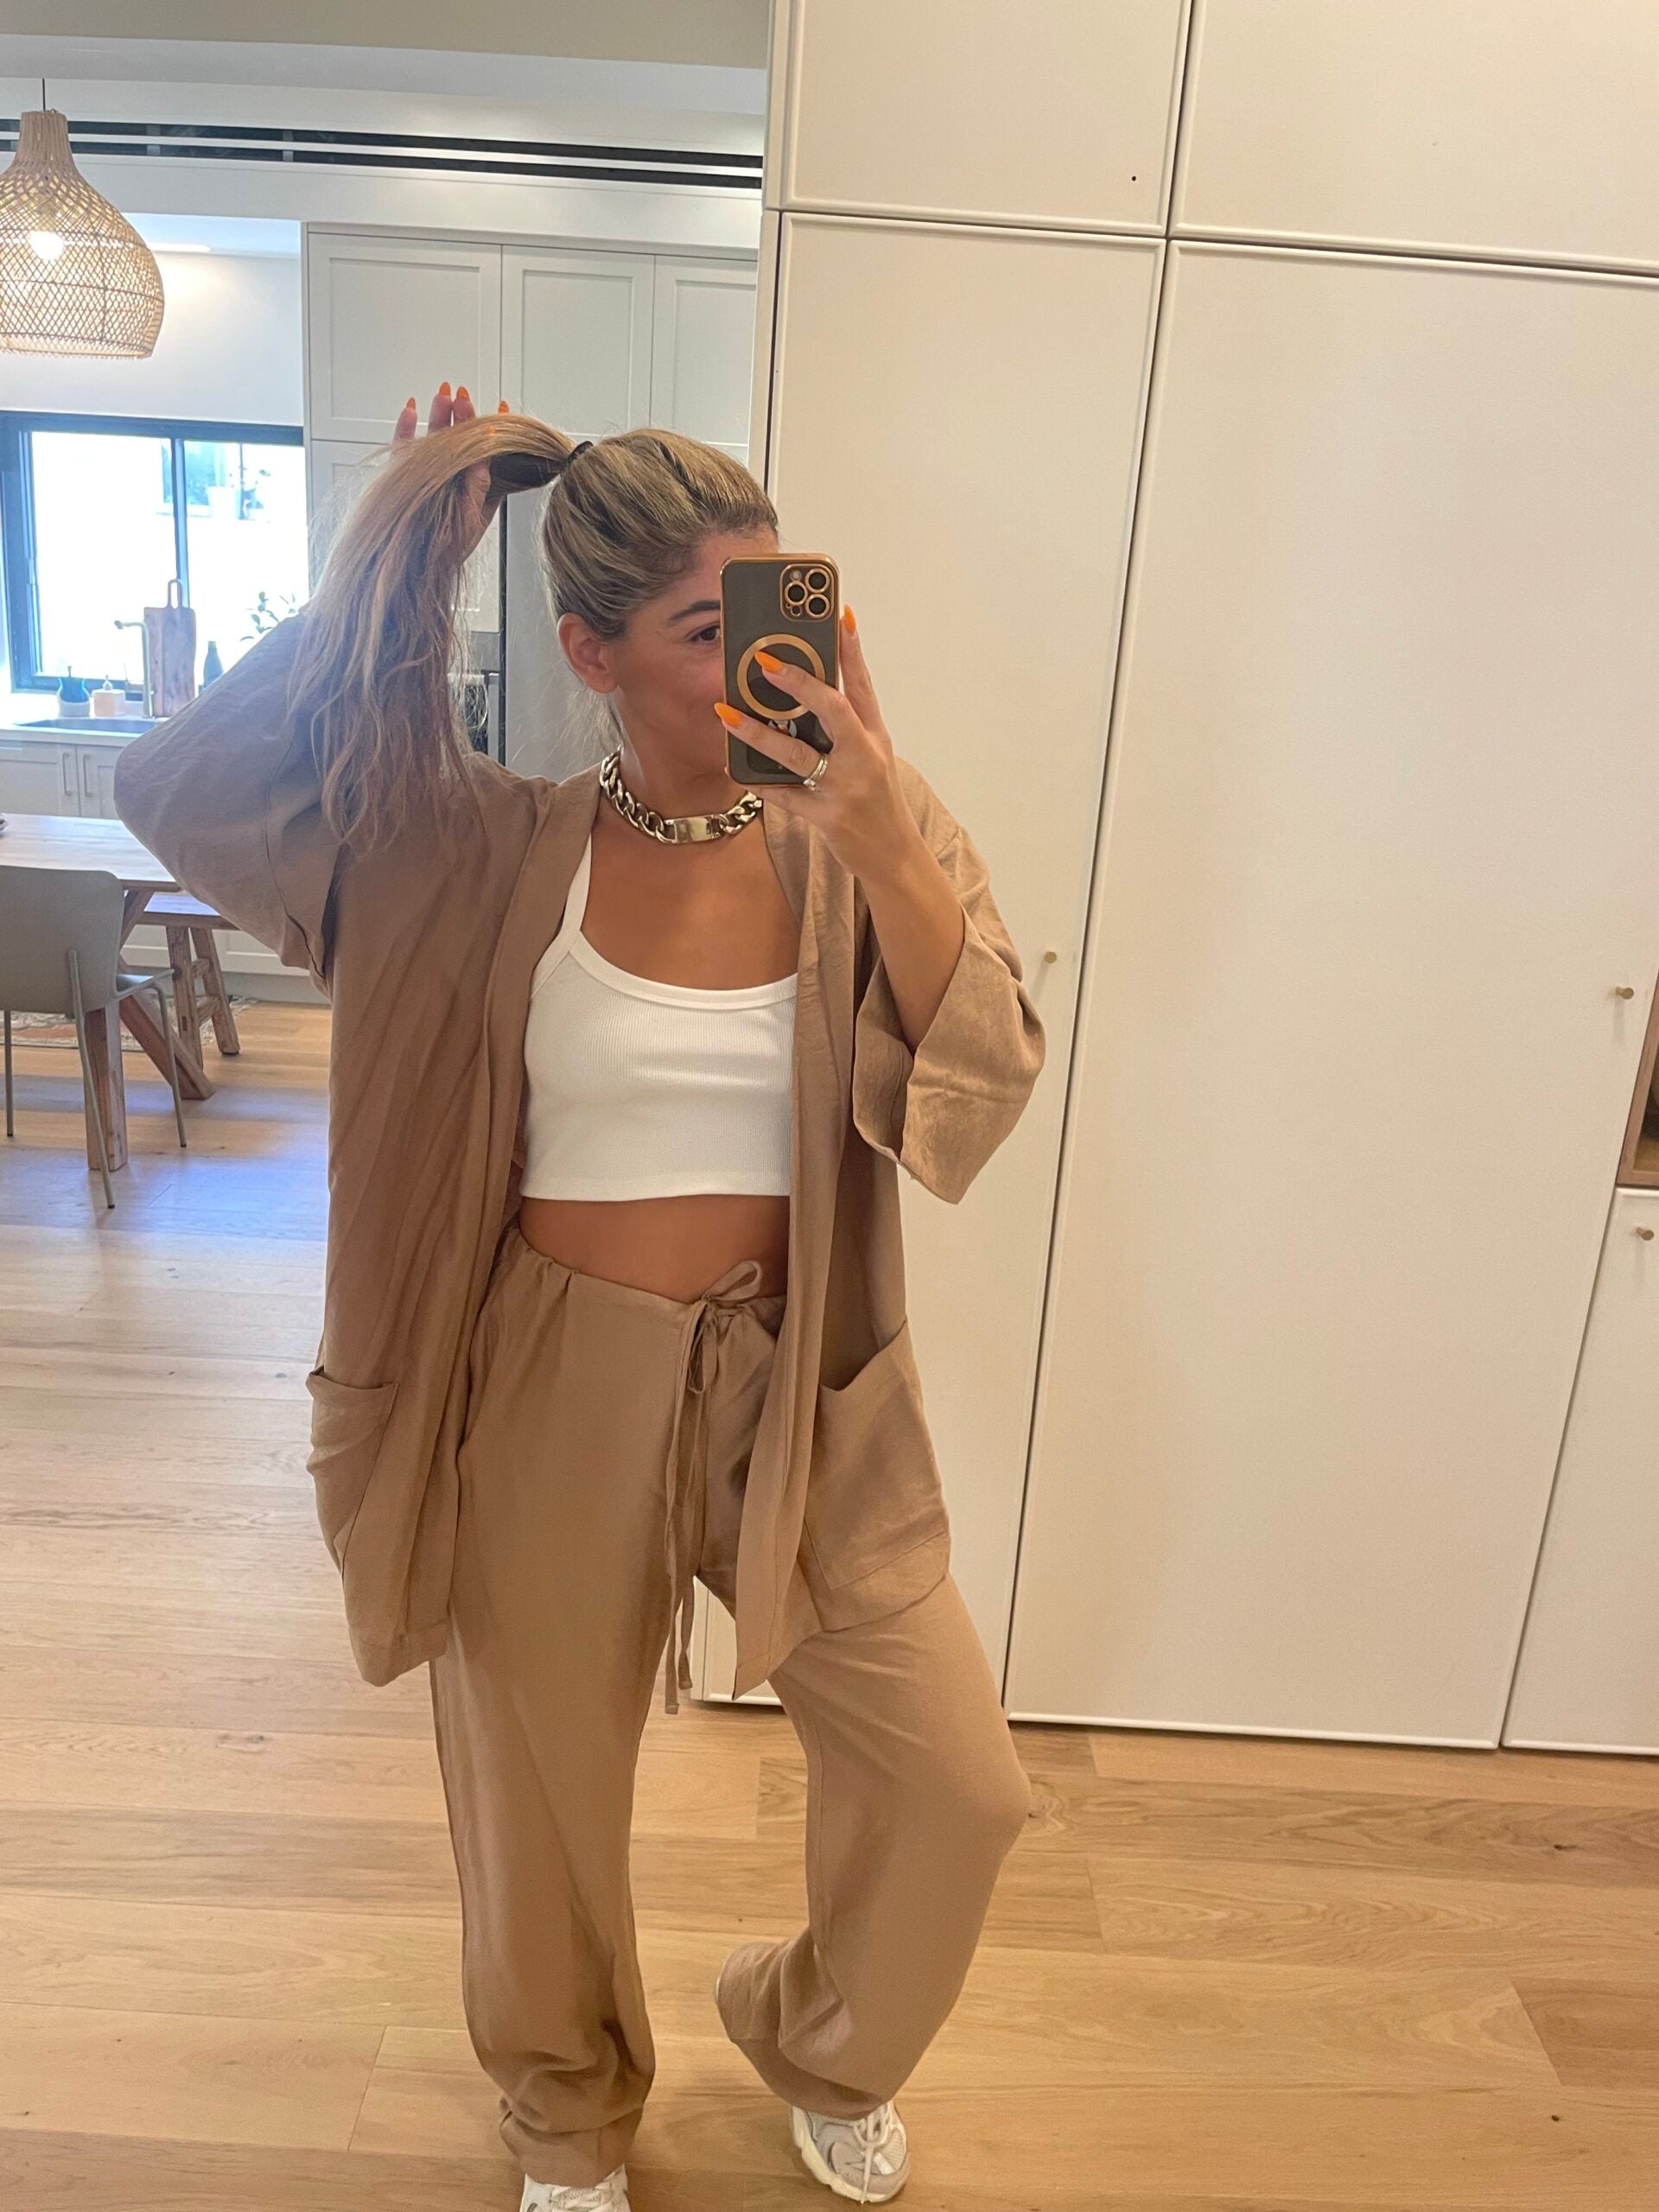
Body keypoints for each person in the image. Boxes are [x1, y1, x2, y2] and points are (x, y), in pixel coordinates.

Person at [112, 384, 1046, 2210]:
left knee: (960, 1788)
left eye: (786, 605)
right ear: (588, 653)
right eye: (710, 628)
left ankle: (820, 2035)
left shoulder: (864, 823)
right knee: (538, 1796)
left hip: (796, 1377)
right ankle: (567, 2114)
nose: (773, 665)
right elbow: (186, 793)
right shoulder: (473, 845)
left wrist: (877, 830)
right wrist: (409, 547)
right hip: (550, 1371)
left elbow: (989, 1062)